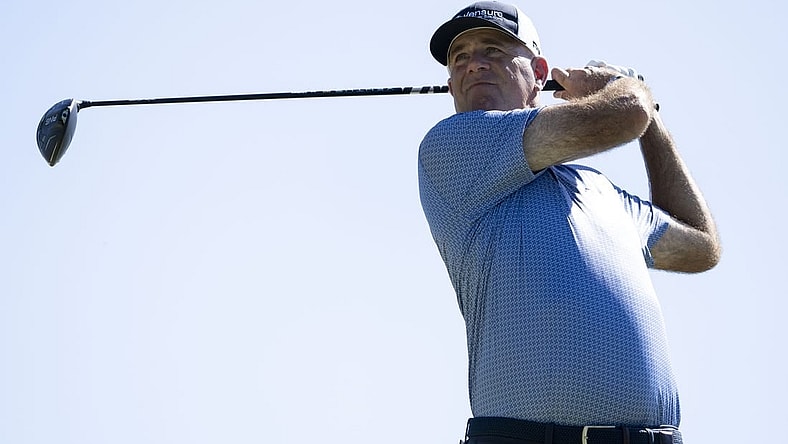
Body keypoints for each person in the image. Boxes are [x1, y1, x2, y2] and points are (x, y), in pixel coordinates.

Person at [417, 2, 721, 443]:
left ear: (539, 72)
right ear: (450, 84)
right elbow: (625, 114)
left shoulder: (598, 190)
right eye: (459, 57)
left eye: (495, 50)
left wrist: (651, 119)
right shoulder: (454, 145)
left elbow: (701, 245)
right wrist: (626, 89)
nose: (474, 64)